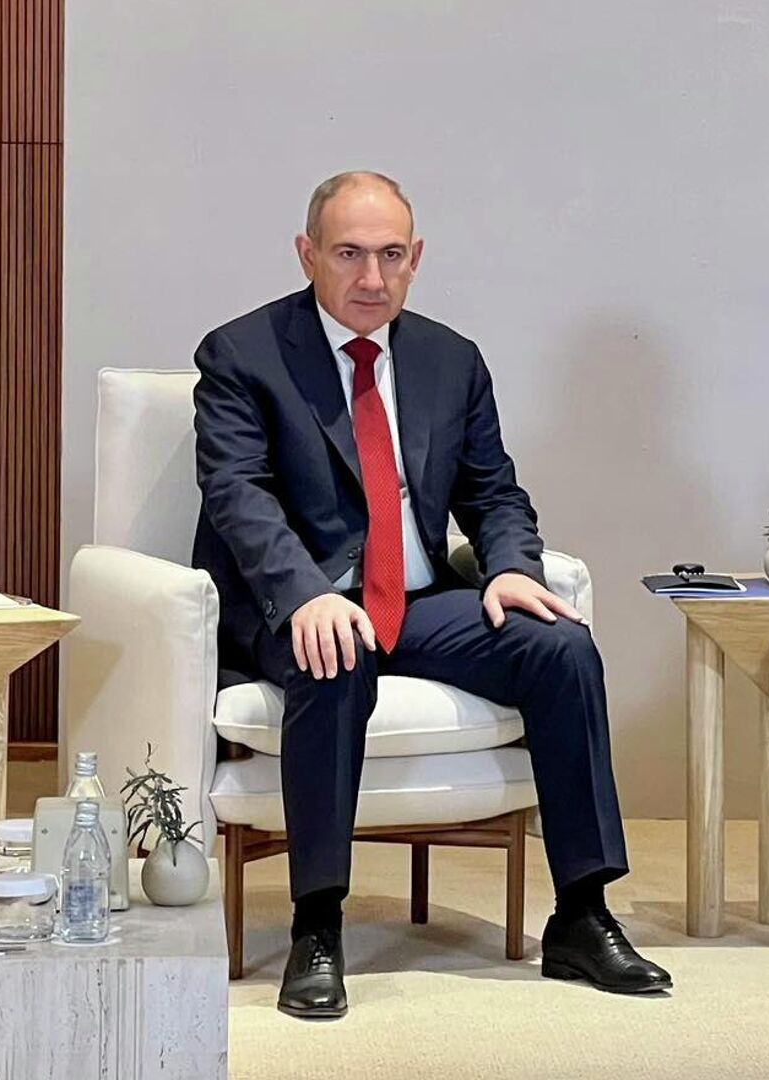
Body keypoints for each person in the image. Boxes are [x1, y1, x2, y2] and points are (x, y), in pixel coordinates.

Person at [191, 171, 671, 1019]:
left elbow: (494, 492)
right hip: (300, 606)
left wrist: (512, 568)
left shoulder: (451, 361)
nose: (371, 278)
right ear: (307, 254)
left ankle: (582, 913)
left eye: (390, 256)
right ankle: (317, 926)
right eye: (349, 254)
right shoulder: (243, 354)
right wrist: (305, 594)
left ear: (416, 259)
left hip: (416, 603)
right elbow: (238, 495)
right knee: (334, 653)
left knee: (561, 647)